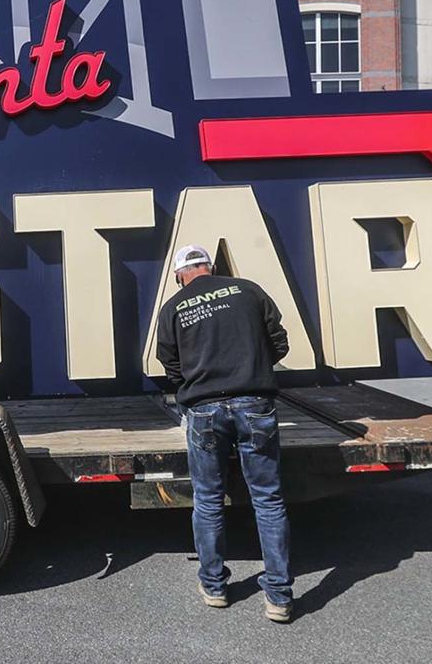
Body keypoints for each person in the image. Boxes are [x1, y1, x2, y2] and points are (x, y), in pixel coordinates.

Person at [155, 245, 294, 623]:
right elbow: (279, 342)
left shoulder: (173, 308)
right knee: (267, 500)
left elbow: (170, 365)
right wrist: (250, 369)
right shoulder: (248, 290)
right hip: (254, 404)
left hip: (203, 411)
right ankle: (279, 597)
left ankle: (215, 586)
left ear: (181, 274)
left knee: (209, 499)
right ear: (210, 268)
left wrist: (197, 384)